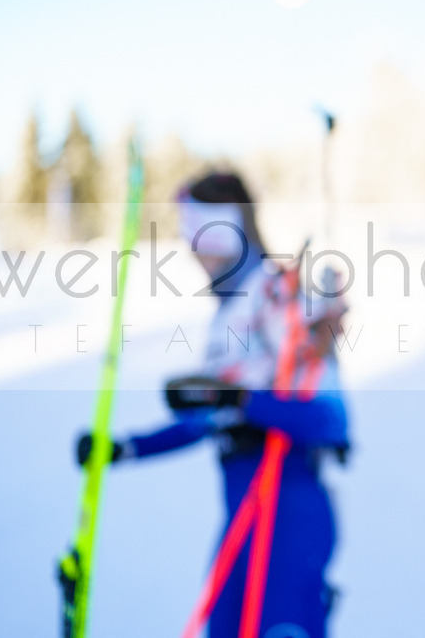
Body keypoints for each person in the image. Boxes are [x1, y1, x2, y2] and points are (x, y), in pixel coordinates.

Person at [75, 172, 349, 638]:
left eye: (199, 234)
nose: (191, 249)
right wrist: (127, 449)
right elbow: (208, 418)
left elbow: (330, 420)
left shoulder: (278, 297)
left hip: (288, 507)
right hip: (242, 505)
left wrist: (243, 401)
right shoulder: (229, 313)